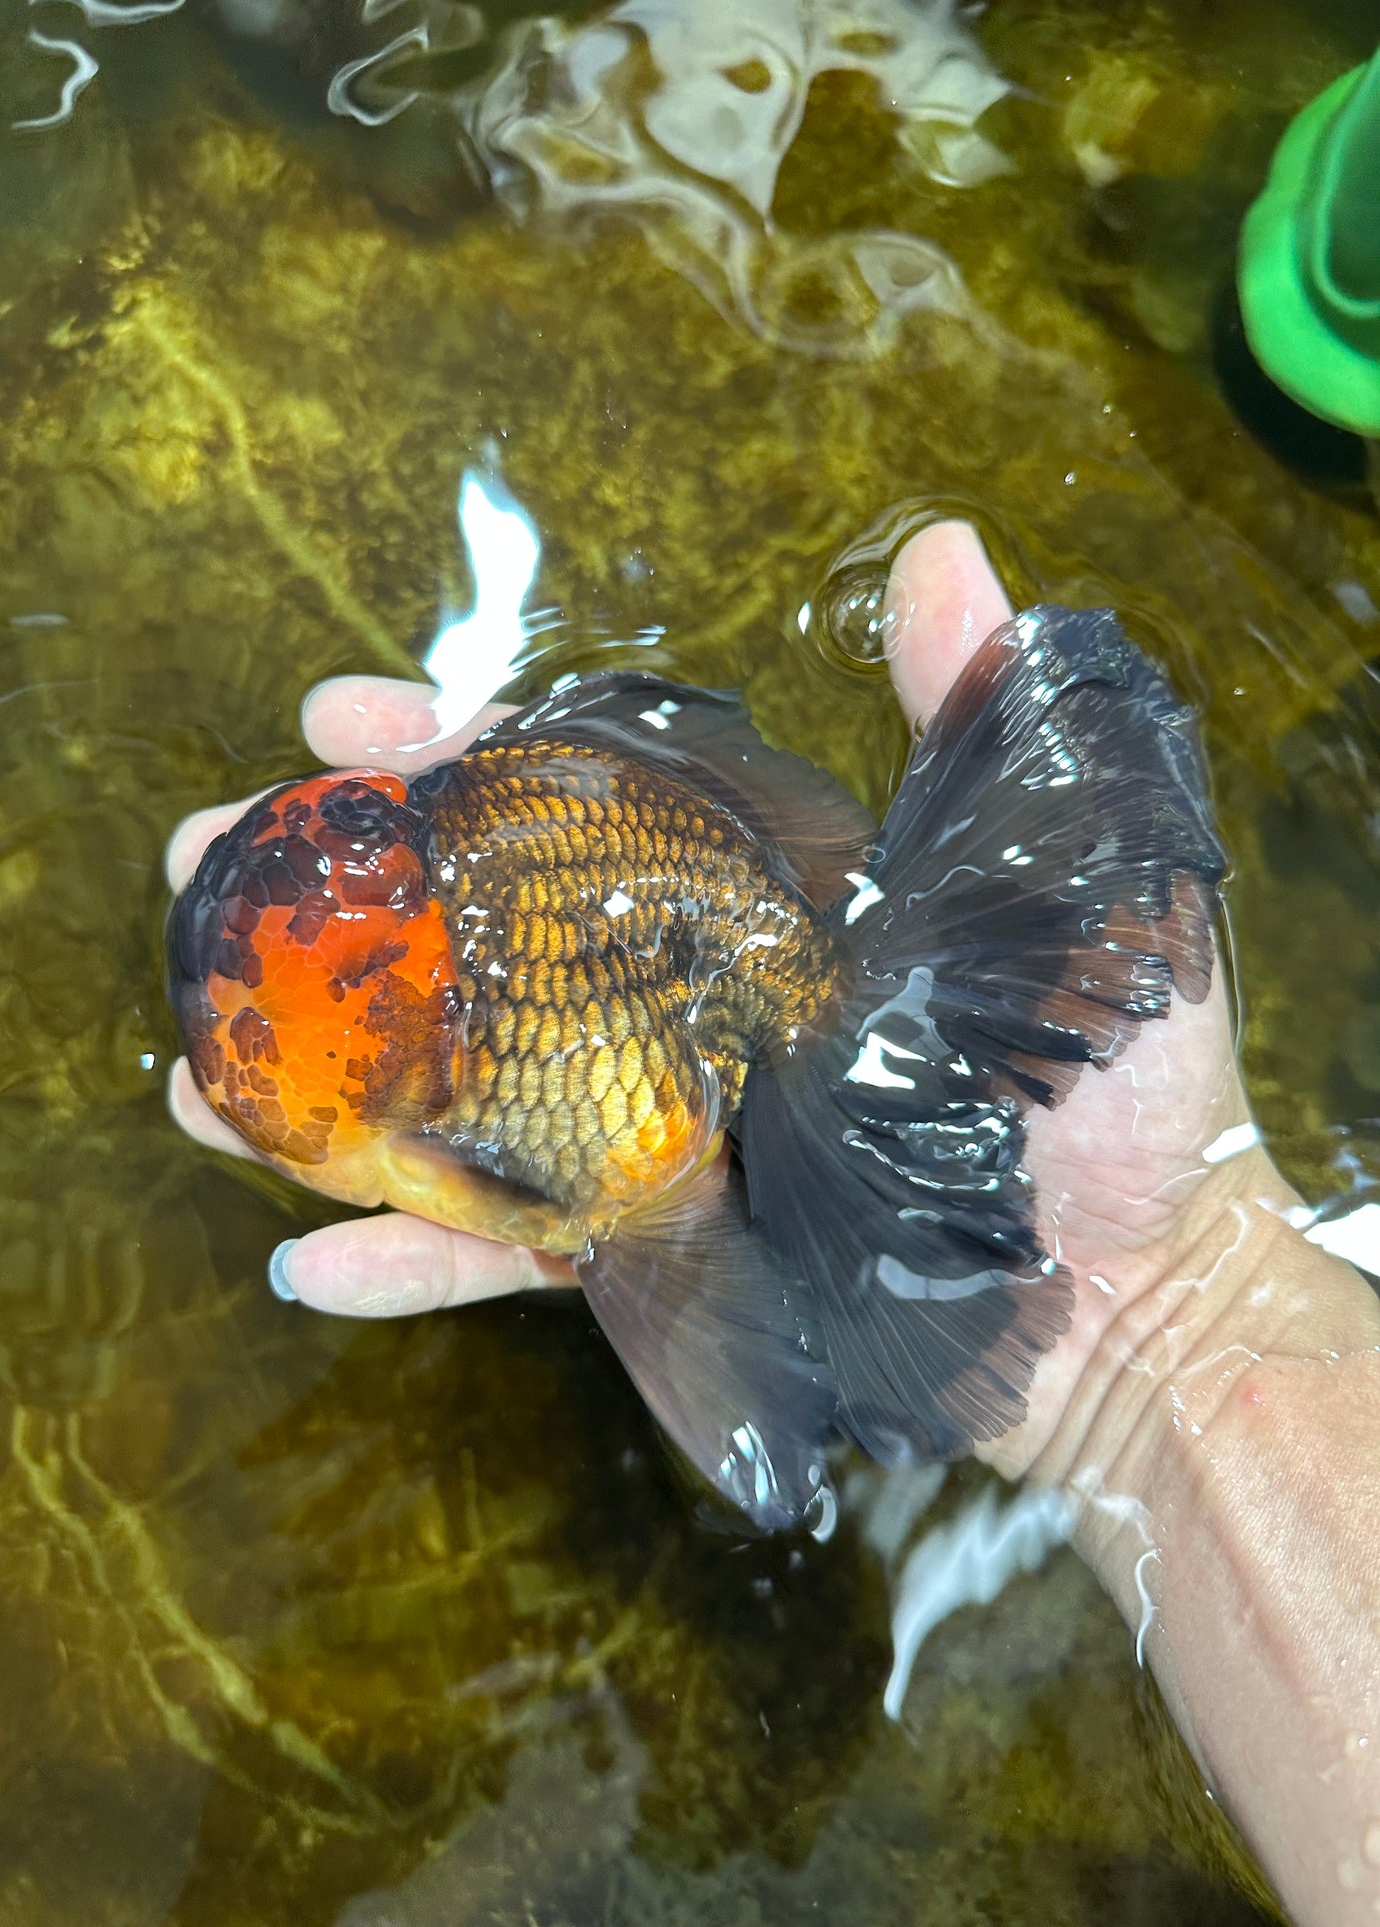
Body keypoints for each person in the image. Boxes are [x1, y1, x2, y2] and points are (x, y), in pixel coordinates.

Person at [166, 519, 1380, 1926]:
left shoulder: (421, 1097)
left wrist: (1176, 1329)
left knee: (624, 1213)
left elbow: (592, 1208)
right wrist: (1182, 1331)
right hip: (688, 903)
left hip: (702, 986)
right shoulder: (416, 1010)